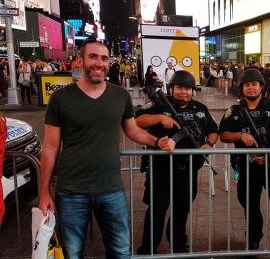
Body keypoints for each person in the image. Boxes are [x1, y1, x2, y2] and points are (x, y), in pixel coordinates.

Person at [38, 40, 176, 259]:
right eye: (93, 57)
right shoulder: (60, 98)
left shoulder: (120, 96)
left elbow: (133, 130)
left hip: (111, 189)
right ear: (80, 61)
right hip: (71, 191)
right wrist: (44, 191)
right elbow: (50, 147)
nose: (99, 63)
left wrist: (157, 142)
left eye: (104, 58)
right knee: (72, 253)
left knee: (121, 251)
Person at [219, 68, 270, 259]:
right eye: (247, 85)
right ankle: (253, 241)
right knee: (250, 206)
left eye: (254, 84)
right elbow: (223, 134)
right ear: (242, 88)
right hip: (247, 167)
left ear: (261, 87)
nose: (251, 88)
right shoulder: (235, 110)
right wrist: (240, 135)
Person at [136, 70, 218, 254]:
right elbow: (137, 120)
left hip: (188, 170)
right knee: (157, 210)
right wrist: (160, 118)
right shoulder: (159, 104)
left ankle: (179, 245)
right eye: (180, 87)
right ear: (171, 88)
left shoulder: (200, 108)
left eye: (188, 88)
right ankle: (148, 248)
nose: (184, 92)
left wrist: (209, 144)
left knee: (182, 210)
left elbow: (213, 129)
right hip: (161, 169)